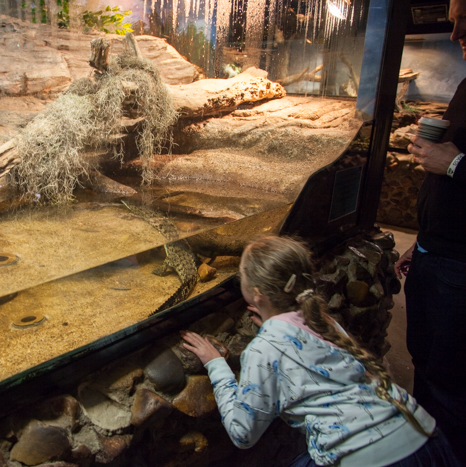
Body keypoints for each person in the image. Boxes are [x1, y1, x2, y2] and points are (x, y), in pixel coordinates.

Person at [182, 236, 459, 467]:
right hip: (426, 436)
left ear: (256, 293)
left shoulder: (264, 349)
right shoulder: (325, 321)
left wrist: (216, 365)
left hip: (373, 458)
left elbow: (242, 434)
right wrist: (275, 321)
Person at [396, 0, 466, 462]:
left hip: (459, 265)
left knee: (451, 378)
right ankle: (426, 450)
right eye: (457, 17)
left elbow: (457, 164)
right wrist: (419, 244)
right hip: (433, 251)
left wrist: (457, 163)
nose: (457, 31)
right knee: (423, 358)